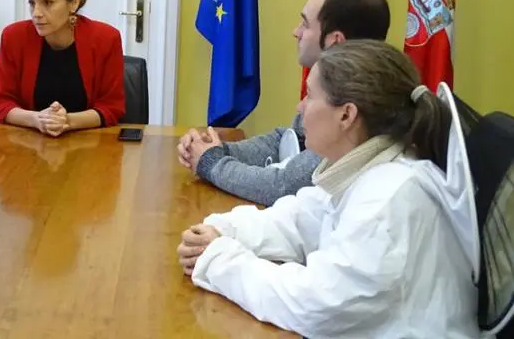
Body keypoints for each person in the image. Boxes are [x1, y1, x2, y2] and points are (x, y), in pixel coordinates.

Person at [176, 40, 479, 337]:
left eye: (309, 95)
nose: (300, 106)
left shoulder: (389, 198)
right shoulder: (373, 166)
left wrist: (218, 259)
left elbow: (311, 305)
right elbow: (300, 217)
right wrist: (221, 230)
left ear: (346, 115)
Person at [177, 0, 390, 206]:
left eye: (305, 24)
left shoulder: (356, 101)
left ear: (334, 41)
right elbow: (288, 139)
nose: (296, 32)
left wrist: (211, 161)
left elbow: (286, 186)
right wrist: (219, 149)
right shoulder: (339, 83)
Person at [0, 0, 125, 136]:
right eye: (31, 2)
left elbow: (112, 107)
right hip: (29, 143)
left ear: (74, 3)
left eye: (47, 3)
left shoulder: (105, 38)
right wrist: (37, 119)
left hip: (89, 143)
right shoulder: (14, 37)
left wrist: (66, 121)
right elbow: (0, 101)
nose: (36, 13)